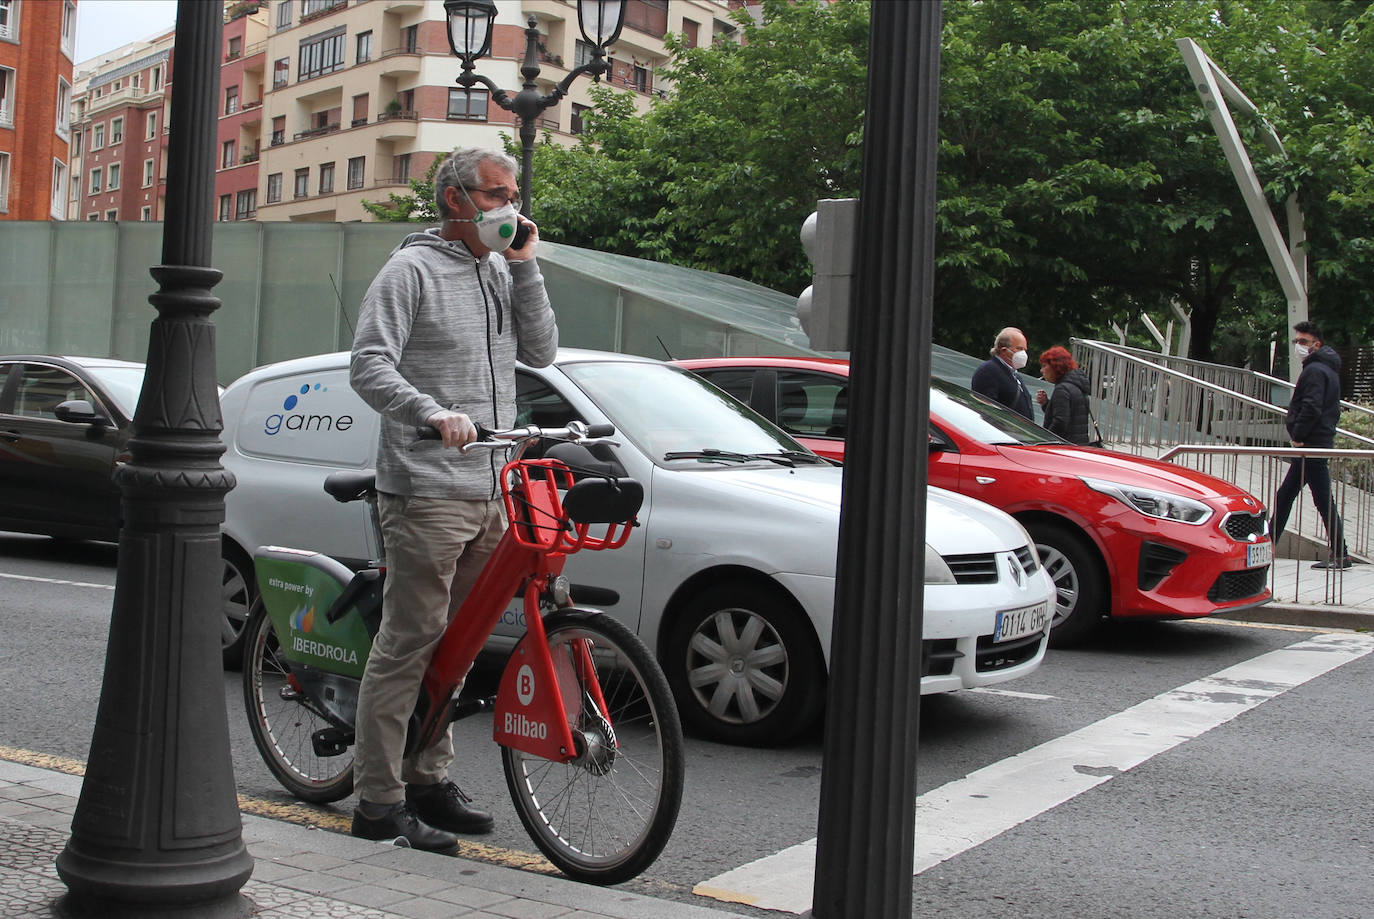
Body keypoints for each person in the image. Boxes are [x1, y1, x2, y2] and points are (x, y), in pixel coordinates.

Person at [348, 148, 559, 851]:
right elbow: (369, 364)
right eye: (496, 195)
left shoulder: (500, 268)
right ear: (453, 201)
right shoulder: (409, 270)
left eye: (513, 194)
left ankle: (428, 779)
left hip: (491, 484)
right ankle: (378, 800)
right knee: (410, 641)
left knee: (459, 645)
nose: (511, 207)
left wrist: (525, 264)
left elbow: (544, 352)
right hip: (426, 486)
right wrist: (430, 411)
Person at [1270, 320, 1350, 570]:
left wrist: (1298, 434)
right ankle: (1268, 544)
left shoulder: (1315, 371)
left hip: (1311, 444)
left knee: (1319, 499)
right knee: (1287, 495)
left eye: (1303, 341)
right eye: (1297, 341)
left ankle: (1341, 554)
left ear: (1317, 344)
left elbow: (1312, 406)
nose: (1299, 346)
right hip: (1316, 442)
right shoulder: (1327, 369)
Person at [1035, 346, 1098, 445]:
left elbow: (1060, 422)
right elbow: (1071, 415)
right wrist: (1046, 404)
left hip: (1065, 446)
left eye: (1044, 366)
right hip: (1079, 444)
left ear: (1055, 367)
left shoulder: (1062, 389)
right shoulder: (1077, 385)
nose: (1041, 370)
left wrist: (1046, 441)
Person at [970, 327, 1034, 419]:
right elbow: (986, 410)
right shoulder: (988, 371)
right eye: (1019, 349)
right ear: (1004, 350)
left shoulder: (1015, 376)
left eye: (1025, 350)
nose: (1023, 354)